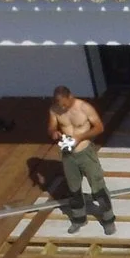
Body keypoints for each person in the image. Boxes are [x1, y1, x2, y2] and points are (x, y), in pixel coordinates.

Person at [47, 85, 116, 235]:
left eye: (65, 104)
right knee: (74, 189)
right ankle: (79, 219)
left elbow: (99, 127)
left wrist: (80, 137)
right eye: (60, 105)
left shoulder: (84, 108)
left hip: (85, 152)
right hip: (68, 154)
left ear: (70, 96)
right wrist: (54, 133)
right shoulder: (54, 110)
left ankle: (108, 220)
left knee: (98, 187)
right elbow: (51, 127)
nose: (63, 107)